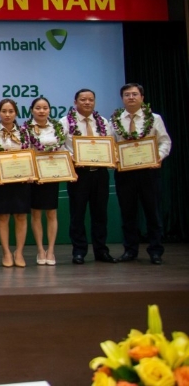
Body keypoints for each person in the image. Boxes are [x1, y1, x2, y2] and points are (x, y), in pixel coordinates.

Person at [112, 83, 171, 264]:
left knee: (152, 212)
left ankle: (155, 251)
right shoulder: (115, 120)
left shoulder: (154, 118)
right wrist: (114, 158)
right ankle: (130, 250)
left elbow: (165, 141)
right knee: (128, 213)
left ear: (142, 98)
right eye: (127, 95)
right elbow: (110, 144)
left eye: (134, 94)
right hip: (125, 173)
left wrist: (158, 157)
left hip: (148, 172)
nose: (131, 97)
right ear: (122, 98)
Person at [63, 89, 118, 265]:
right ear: (75, 102)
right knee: (77, 215)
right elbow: (60, 146)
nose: (87, 102)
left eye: (91, 99)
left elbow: (111, 144)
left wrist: (112, 157)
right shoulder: (65, 122)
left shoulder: (103, 122)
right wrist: (72, 158)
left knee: (100, 214)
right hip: (79, 174)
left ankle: (101, 251)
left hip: (100, 174)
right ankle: (79, 251)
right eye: (83, 99)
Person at [24, 96, 67, 266]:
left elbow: (63, 150)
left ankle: (51, 250)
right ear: (32, 110)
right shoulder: (25, 129)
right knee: (36, 213)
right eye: (38, 108)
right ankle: (40, 250)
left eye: (45, 108)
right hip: (34, 176)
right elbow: (24, 152)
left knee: (51, 213)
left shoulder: (57, 127)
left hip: (52, 174)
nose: (41, 111)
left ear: (49, 110)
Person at [0, 99, 30, 268]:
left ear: (16, 113)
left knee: (21, 216)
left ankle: (19, 252)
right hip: (1, 180)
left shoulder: (24, 132)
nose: (7, 115)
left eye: (11, 111)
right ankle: (6, 252)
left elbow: (30, 154)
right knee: (3, 216)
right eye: (4, 111)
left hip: (21, 180)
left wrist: (30, 172)